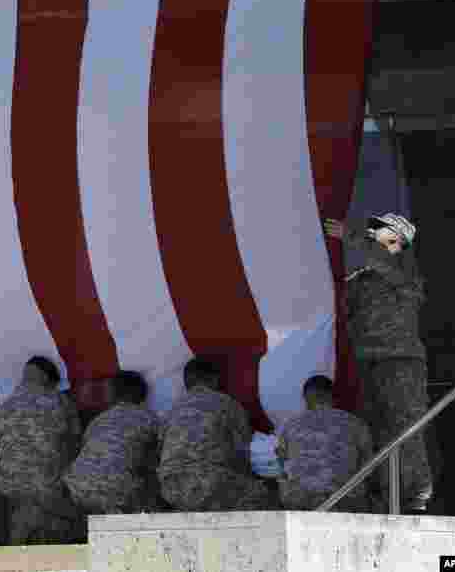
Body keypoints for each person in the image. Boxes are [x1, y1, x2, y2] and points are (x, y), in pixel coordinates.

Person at [324, 213, 433, 512]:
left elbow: (383, 264)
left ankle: (413, 496)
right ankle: (385, 495)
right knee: (374, 430)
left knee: (405, 429)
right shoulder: (361, 279)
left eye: (378, 230)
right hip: (367, 362)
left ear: (398, 240)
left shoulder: (404, 270)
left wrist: (352, 237)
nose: (371, 233)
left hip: (400, 362)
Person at [157, 358, 272, 511]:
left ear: (186, 382)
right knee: (264, 495)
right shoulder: (227, 403)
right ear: (215, 379)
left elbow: (159, 451)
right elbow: (244, 450)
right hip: (210, 483)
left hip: (171, 489)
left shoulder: (169, 410)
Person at [0, 357, 81, 545]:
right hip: (49, 488)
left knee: (19, 543)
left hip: (13, 488)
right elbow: (75, 444)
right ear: (49, 378)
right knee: (52, 547)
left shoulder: (4, 408)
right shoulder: (60, 401)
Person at [63, 371, 161, 515]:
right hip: (114, 496)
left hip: (73, 491)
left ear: (116, 393)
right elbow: (159, 460)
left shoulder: (98, 420)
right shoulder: (150, 419)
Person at [275, 376, 374, 512]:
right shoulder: (355, 423)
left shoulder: (289, 425)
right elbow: (369, 463)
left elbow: (281, 462)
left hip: (300, 500)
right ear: (332, 396)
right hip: (345, 499)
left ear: (305, 397)